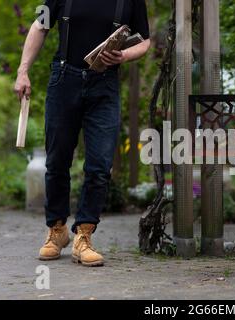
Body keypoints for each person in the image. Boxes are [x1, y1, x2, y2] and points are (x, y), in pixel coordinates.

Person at [14, 0, 150, 267]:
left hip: (105, 86)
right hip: (64, 81)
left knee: (100, 165)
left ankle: (83, 236)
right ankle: (57, 230)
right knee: (57, 160)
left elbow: (144, 41)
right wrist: (23, 71)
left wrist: (123, 56)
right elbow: (39, 25)